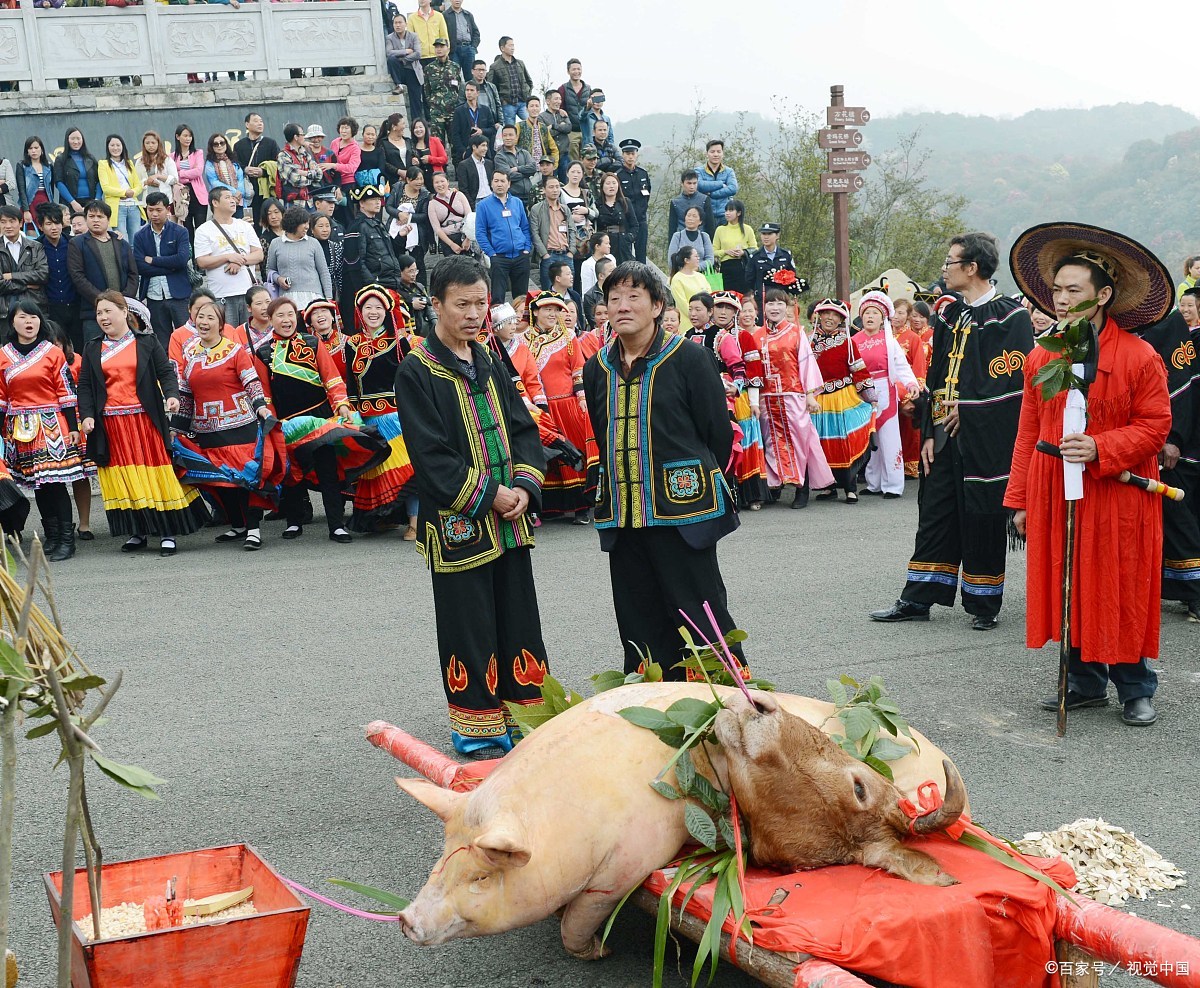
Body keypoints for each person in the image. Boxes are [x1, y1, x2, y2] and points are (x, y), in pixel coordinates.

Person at [1007, 222, 1173, 727]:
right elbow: (1028, 429)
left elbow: (1156, 425)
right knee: (1068, 580)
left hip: (1117, 494)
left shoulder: (1140, 356)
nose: (1059, 299)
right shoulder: (1043, 353)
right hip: (1055, 485)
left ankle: (1134, 685)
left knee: (1118, 581)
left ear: (1103, 296)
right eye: (1056, 290)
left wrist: (1101, 446)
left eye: (1072, 290)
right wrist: (1018, 500)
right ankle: (1082, 681)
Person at [394, 255, 549, 756]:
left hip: (511, 520)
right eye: (462, 304)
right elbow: (430, 455)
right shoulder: (416, 371)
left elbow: (523, 425)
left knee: (518, 617)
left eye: (481, 303)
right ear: (435, 304)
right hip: (460, 524)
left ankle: (528, 715)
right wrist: (489, 494)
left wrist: (524, 486)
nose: (473, 313)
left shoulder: (488, 358)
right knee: (469, 625)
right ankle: (478, 731)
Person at [583, 261, 744, 676]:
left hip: (684, 511)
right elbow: (602, 434)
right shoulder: (596, 367)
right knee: (637, 617)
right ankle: (653, 705)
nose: (622, 306)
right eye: (614, 297)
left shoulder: (690, 358)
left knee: (699, 609)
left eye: (634, 296)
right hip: (623, 512)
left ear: (657, 305)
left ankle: (728, 704)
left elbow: (717, 434)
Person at [871, 232, 1034, 630]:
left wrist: (970, 408)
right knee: (936, 511)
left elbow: (1012, 384)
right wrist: (928, 429)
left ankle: (983, 602)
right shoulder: (949, 314)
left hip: (984, 435)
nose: (944, 268)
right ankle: (918, 597)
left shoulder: (1010, 317)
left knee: (981, 513)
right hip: (944, 431)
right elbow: (936, 377)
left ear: (972, 267)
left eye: (950, 261)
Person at [77, 291, 209, 555]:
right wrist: (87, 414)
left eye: (108, 311)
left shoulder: (146, 342)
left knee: (154, 474)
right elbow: (85, 386)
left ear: (124, 312)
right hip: (111, 425)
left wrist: (172, 396)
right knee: (124, 477)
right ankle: (138, 531)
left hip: (144, 421)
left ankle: (167, 532)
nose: (103, 317)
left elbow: (166, 373)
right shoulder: (92, 347)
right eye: (99, 313)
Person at [254, 296, 385, 544]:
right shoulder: (262, 353)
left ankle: (335, 524)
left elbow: (332, 380)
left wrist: (342, 406)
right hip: (288, 424)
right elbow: (265, 393)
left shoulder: (312, 343)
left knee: (328, 471)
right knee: (293, 474)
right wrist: (271, 420)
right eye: (280, 315)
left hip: (320, 419)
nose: (286, 320)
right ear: (270, 320)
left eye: (290, 314)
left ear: (297, 317)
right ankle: (294, 521)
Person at [171, 294, 284, 551]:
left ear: (221, 324)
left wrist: (262, 409)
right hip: (206, 429)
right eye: (200, 316)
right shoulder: (189, 353)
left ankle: (254, 529)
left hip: (239, 426)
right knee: (221, 481)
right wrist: (176, 429)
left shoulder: (235, 351)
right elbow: (186, 395)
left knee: (245, 478)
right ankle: (238, 524)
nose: (204, 321)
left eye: (211, 317)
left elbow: (252, 383)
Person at [0, 299, 92, 560]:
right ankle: (52, 537)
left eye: (34, 317)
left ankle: (66, 540)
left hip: (51, 425)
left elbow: (66, 393)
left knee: (54, 482)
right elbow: (1, 398)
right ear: (12, 322)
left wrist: (73, 428)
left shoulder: (52, 352)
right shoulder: (3, 355)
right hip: (19, 428)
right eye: (23, 317)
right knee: (39, 486)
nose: (29, 322)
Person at [1143, 290, 1200, 622]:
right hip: (1126, 440)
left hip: (1169, 443)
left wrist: (1172, 438)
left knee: (1179, 517)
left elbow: (1180, 387)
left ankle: (1194, 593)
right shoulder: (1110, 324)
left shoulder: (1167, 325)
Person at [344, 285, 417, 534]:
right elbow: (351, 384)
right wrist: (353, 414)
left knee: (406, 469)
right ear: (359, 312)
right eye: (368, 307)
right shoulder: (352, 344)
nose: (373, 312)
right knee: (376, 472)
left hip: (396, 417)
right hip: (368, 419)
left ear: (388, 311)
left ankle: (415, 522)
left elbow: (412, 381)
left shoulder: (399, 342)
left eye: (378, 307)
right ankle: (383, 518)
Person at [756, 287, 836, 510]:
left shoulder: (796, 332)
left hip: (793, 394)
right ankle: (775, 484)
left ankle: (802, 487)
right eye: (770, 304)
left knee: (799, 441)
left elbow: (806, 364)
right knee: (771, 442)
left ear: (787, 308)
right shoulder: (757, 335)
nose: (774, 308)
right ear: (764, 307)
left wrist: (810, 395)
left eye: (779, 304)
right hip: (767, 397)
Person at [526, 291, 596, 522]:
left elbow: (578, 371)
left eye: (556, 310)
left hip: (566, 404)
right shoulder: (524, 340)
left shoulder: (567, 338)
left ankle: (581, 507)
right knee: (547, 457)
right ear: (534, 311)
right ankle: (549, 506)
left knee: (573, 452)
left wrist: (582, 399)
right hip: (540, 408)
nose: (552, 314)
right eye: (547, 309)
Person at [809, 298, 876, 505]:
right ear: (819, 316)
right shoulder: (808, 341)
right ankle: (828, 487)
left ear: (841, 319)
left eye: (835, 315)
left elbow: (859, 370)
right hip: (819, 400)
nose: (830, 318)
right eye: (826, 313)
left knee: (845, 442)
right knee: (823, 443)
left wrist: (871, 398)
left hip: (843, 398)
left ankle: (850, 487)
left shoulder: (848, 342)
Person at [854, 292, 919, 498]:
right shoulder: (854, 340)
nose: (870, 316)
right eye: (867, 313)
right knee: (869, 440)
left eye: (874, 313)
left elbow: (901, 364)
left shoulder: (889, 341)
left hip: (885, 390)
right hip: (861, 394)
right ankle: (873, 483)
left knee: (889, 439)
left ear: (882, 317)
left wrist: (910, 383)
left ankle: (893, 485)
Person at [67, 201, 139, 341]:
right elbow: (77, 277)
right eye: (91, 216)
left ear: (108, 219)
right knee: (96, 355)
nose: (95, 220)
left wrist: (122, 300)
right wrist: (102, 301)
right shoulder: (77, 243)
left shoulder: (121, 242)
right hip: (93, 312)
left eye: (100, 217)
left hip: (122, 309)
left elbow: (133, 274)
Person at [193, 187, 264, 328]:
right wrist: (227, 257)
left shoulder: (244, 226)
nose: (233, 200)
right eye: (227, 197)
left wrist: (238, 260)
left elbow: (258, 254)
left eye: (233, 197)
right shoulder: (204, 230)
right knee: (227, 336)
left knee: (249, 336)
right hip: (221, 294)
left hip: (247, 292)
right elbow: (202, 261)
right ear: (215, 202)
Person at [133, 191, 192, 349]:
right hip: (153, 294)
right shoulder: (140, 236)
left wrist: (153, 261)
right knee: (161, 341)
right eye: (150, 210)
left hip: (178, 292)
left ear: (168, 209)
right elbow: (139, 266)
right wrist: (170, 267)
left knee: (187, 337)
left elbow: (181, 260)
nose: (154, 214)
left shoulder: (180, 232)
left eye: (158, 210)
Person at [341, 185, 402, 313]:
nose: (378, 202)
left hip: (390, 283)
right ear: (362, 203)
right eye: (373, 199)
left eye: (379, 199)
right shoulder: (357, 227)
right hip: (374, 287)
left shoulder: (379, 225)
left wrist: (401, 237)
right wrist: (373, 286)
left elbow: (391, 254)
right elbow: (356, 263)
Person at [475, 171, 532, 303]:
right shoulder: (483, 205)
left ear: (509, 184)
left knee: (522, 298)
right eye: (496, 181)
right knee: (498, 297)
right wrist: (492, 253)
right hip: (499, 257)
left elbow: (524, 227)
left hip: (520, 255)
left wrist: (527, 248)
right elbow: (480, 233)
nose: (499, 184)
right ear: (491, 183)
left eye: (502, 181)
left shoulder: (517, 202)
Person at [891, 299, 930, 479]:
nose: (896, 316)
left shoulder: (912, 338)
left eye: (901, 313)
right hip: (888, 389)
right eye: (894, 312)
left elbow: (918, 370)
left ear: (907, 317)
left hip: (906, 392)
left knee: (908, 430)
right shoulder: (883, 335)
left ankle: (909, 465)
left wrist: (910, 394)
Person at [266, 206, 332, 311]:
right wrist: (278, 279)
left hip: (313, 297)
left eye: (307, 223)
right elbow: (269, 270)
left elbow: (324, 272)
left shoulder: (313, 243)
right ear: (294, 224)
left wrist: (329, 298)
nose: (307, 227)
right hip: (287, 299)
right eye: (304, 223)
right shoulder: (276, 243)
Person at [37, 205, 81, 354]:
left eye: (57, 223)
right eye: (49, 224)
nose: (54, 228)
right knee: (55, 351)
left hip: (76, 305)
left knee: (80, 349)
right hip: (51, 307)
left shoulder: (74, 243)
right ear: (41, 226)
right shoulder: (35, 247)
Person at [0, 204, 48, 320]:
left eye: (12, 221)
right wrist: (27, 285)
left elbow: (42, 275)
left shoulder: (35, 247)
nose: (8, 226)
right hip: (5, 311)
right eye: (3, 222)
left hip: (34, 308)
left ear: (20, 223)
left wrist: (11, 276)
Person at [529, 177, 578, 290]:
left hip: (566, 254)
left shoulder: (565, 209)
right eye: (551, 187)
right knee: (549, 291)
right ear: (544, 190)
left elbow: (572, 230)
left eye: (557, 187)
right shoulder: (537, 209)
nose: (555, 190)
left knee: (568, 291)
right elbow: (534, 233)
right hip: (549, 255)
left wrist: (571, 251)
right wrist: (544, 254)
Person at [233, 112, 279, 227]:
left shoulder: (270, 143)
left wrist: (263, 172)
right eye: (256, 121)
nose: (260, 123)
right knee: (250, 222)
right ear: (247, 124)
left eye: (261, 121)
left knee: (269, 220)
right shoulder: (239, 145)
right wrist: (245, 169)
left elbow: (279, 165)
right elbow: (235, 165)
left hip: (266, 190)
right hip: (247, 190)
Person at [747, 222, 797, 314]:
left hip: (781, 299)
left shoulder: (786, 255)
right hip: (762, 301)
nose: (766, 237)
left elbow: (792, 277)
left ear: (777, 235)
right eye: (763, 234)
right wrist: (752, 297)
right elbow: (749, 280)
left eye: (769, 234)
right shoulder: (755, 257)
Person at [423, 39, 465, 148]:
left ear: (448, 48)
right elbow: (427, 91)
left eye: (441, 46)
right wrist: (433, 103)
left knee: (455, 142)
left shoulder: (455, 67)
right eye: (436, 47)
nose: (439, 49)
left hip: (453, 111)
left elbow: (460, 88)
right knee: (437, 144)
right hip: (436, 112)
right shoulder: (429, 69)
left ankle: (457, 164)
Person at [614, 139, 651, 264]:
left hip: (640, 220)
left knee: (641, 255)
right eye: (627, 153)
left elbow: (647, 196)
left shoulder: (643, 174)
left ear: (637, 154)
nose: (630, 156)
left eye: (633, 153)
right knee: (626, 256)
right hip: (626, 222)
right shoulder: (618, 175)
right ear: (623, 155)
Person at [712, 199, 756, 297]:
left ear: (739, 213)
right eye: (726, 210)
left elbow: (755, 249)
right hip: (726, 268)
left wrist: (743, 252)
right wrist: (725, 252)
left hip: (743, 267)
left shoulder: (747, 229)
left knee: (744, 297)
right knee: (728, 297)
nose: (727, 213)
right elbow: (713, 251)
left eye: (731, 210)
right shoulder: (720, 230)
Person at [52, 128, 98, 220]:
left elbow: (99, 181)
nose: (76, 142)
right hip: (71, 204)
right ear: (67, 140)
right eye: (72, 139)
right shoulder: (61, 159)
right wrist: (73, 202)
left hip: (91, 203)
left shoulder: (90, 158)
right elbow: (59, 182)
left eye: (78, 138)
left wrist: (96, 201)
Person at [487, 36, 533, 127]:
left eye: (513, 45)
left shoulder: (520, 63)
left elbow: (529, 81)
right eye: (510, 45)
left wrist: (528, 95)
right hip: (507, 104)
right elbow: (491, 87)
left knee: (532, 125)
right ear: (502, 48)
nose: (513, 48)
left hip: (523, 102)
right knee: (509, 130)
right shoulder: (495, 66)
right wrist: (501, 101)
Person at [202, 133, 251, 220]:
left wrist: (238, 195)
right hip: (221, 201)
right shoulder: (210, 163)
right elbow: (214, 182)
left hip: (238, 201)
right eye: (216, 144)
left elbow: (240, 179)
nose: (219, 146)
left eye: (222, 143)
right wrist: (233, 192)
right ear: (211, 147)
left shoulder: (233, 160)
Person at [172, 125, 208, 239]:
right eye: (185, 136)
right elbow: (172, 176)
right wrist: (187, 175)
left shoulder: (198, 153)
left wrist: (181, 173)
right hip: (182, 196)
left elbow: (198, 171)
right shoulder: (172, 156)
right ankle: (190, 255)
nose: (188, 138)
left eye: (190, 136)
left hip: (197, 194)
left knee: (201, 228)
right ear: (178, 137)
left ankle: (201, 255)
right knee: (186, 229)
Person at [427, 170, 473, 259]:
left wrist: (468, 239)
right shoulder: (432, 204)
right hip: (448, 238)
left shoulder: (459, 195)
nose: (440, 184)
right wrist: (452, 244)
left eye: (442, 181)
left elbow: (469, 218)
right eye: (436, 182)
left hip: (465, 234)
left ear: (448, 182)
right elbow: (437, 228)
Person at [277, 122, 325, 207]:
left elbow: (319, 173)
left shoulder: (304, 153)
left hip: (309, 202)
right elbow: (296, 180)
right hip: (294, 204)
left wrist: (304, 173)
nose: (304, 137)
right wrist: (311, 175)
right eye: (302, 134)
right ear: (295, 137)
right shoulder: (283, 155)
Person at [386, 14, 425, 115]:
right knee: (391, 59)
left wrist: (403, 59)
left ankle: (417, 123)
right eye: (395, 23)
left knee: (416, 100)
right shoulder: (390, 37)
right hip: (400, 70)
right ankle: (399, 85)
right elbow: (389, 53)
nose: (398, 25)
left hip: (413, 70)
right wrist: (406, 51)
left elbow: (418, 54)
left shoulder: (413, 36)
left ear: (405, 24)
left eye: (400, 22)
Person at [594, 173, 636, 266]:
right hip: (605, 244)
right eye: (608, 183)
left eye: (614, 183)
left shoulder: (625, 202)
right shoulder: (597, 204)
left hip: (622, 243)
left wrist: (629, 238)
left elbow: (634, 224)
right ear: (602, 186)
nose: (611, 186)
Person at [450, 82, 498, 163]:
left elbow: (492, 129)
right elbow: (455, 134)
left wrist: (482, 131)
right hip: (466, 151)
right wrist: (462, 151)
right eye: (467, 90)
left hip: (483, 151)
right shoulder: (459, 111)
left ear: (477, 93)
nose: (469, 93)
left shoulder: (485, 110)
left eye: (472, 90)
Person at [304, 297, 349, 380]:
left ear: (333, 317)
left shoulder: (349, 342)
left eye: (324, 311)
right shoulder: (306, 349)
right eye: (315, 313)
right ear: (311, 323)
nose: (320, 315)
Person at [668, 169, 716, 245]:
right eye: (689, 183)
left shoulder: (704, 199)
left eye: (694, 183)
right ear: (682, 183)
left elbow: (710, 225)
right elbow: (672, 227)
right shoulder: (675, 202)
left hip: (700, 240)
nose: (692, 186)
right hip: (681, 241)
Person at [558, 58, 592, 164]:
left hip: (586, 129)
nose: (577, 72)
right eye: (574, 69)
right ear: (568, 71)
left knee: (589, 157)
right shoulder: (563, 89)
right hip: (571, 130)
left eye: (579, 69)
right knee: (573, 159)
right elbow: (559, 106)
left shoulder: (588, 88)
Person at [329, 118, 364, 218]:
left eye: (346, 128)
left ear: (352, 130)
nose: (343, 131)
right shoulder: (334, 142)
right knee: (336, 213)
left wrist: (334, 166)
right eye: (342, 128)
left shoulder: (355, 148)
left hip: (348, 184)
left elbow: (352, 167)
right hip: (335, 183)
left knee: (348, 213)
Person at [493, 125, 536, 205]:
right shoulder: (500, 156)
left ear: (516, 137)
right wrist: (526, 174)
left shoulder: (524, 153)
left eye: (510, 135)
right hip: (512, 196)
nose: (507, 138)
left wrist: (517, 168)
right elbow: (508, 176)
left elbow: (533, 167)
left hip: (529, 195)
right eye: (505, 135)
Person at [18, 138, 54, 230]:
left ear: (41, 149)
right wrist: (26, 210)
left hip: (45, 201)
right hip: (30, 202)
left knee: (47, 228)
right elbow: (21, 189)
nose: (33, 151)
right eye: (30, 148)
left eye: (36, 147)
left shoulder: (48, 166)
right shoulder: (22, 166)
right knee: (31, 231)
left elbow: (51, 189)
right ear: (27, 151)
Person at [697, 139, 738, 220]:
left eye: (719, 151)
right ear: (706, 154)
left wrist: (711, 194)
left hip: (725, 215)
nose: (716, 154)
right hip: (705, 214)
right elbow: (699, 185)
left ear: (723, 154)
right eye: (712, 152)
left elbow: (733, 188)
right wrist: (721, 184)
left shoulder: (729, 171)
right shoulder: (699, 171)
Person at [515, 96, 558, 173]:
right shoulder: (519, 126)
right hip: (526, 169)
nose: (534, 108)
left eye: (537, 106)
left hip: (542, 169)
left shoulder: (543, 127)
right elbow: (513, 147)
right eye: (531, 106)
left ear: (540, 108)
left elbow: (554, 148)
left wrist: (553, 165)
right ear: (526, 109)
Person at [396, 253, 435, 337]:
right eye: (410, 271)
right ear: (400, 272)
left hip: (423, 328)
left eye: (415, 271)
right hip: (406, 330)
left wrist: (434, 320)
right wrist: (411, 305)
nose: (414, 274)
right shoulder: (395, 290)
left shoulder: (419, 287)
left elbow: (429, 305)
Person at [668, 206, 714, 273]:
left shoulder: (704, 236)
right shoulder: (677, 236)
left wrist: (697, 268)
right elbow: (671, 259)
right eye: (688, 215)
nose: (690, 218)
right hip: (681, 275)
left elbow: (710, 260)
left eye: (694, 216)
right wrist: (684, 270)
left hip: (701, 276)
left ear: (700, 221)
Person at [407, 119, 449, 192]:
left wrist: (430, 159)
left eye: (420, 127)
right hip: (420, 179)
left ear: (425, 128)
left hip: (435, 177)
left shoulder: (435, 141)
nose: (418, 130)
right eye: (415, 128)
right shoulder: (410, 144)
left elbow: (444, 159)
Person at [455, 133, 496, 207]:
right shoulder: (464, 165)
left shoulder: (489, 163)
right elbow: (463, 188)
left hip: (491, 198)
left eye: (486, 146)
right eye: (483, 145)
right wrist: (471, 204)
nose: (486, 149)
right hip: (476, 201)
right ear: (474, 147)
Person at [442, 0, 480, 77]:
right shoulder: (445, 15)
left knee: (470, 77)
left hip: (468, 48)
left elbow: (476, 33)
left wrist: (473, 47)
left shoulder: (468, 15)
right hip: (454, 50)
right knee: (454, 76)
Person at [409, 0, 447, 70]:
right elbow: (409, 39)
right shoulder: (412, 18)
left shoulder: (439, 16)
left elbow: (444, 36)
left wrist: (445, 53)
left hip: (436, 56)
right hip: (420, 57)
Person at [238, 283, 274, 352]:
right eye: (259, 303)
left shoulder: (279, 325)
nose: (265, 307)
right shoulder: (239, 332)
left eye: (268, 302)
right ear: (249, 308)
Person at [580, 232, 614, 297]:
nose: (609, 246)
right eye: (606, 243)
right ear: (597, 246)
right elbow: (586, 290)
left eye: (609, 243)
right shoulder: (587, 264)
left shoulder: (611, 258)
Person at [469, 59, 503, 124]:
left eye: (483, 70)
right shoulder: (466, 86)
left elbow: (498, 105)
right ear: (472, 71)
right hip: (474, 121)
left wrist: (500, 123)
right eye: (479, 70)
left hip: (490, 121)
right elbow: (461, 104)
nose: (481, 72)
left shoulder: (492, 87)